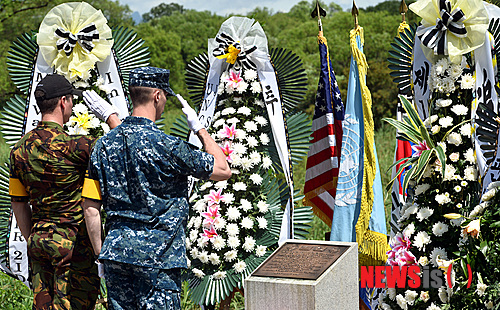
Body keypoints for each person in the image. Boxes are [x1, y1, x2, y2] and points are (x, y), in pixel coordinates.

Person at [81, 66, 231, 310]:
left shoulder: (103, 146)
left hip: (117, 254)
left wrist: (102, 253)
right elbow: (222, 170)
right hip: (158, 259)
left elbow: (90, 207)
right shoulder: (168, 146)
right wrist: (200, 128)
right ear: (158, 96)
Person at [9, 73, 121, 310]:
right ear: (63, 102)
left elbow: (19, 204)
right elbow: (124, 149)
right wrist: (111, 117)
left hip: (39, 242)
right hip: (73, 245)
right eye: (71, 100)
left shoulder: (18, 150)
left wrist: (34, 238)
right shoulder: (78, 147)